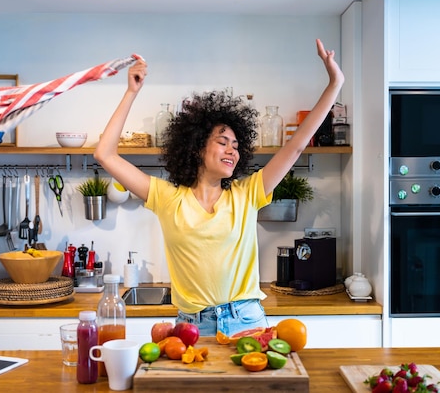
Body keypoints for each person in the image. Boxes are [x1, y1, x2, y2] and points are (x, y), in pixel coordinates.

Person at [94, 38, 344, 336]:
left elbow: (296, 146)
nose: (232, 151)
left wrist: (334, 84)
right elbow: (105, 154)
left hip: (247, 321)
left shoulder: (248, 193)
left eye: (236, 146)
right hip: (192, 328)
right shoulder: (166, 197)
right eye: (222, 142)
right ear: (198, 147)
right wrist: (131, 92)